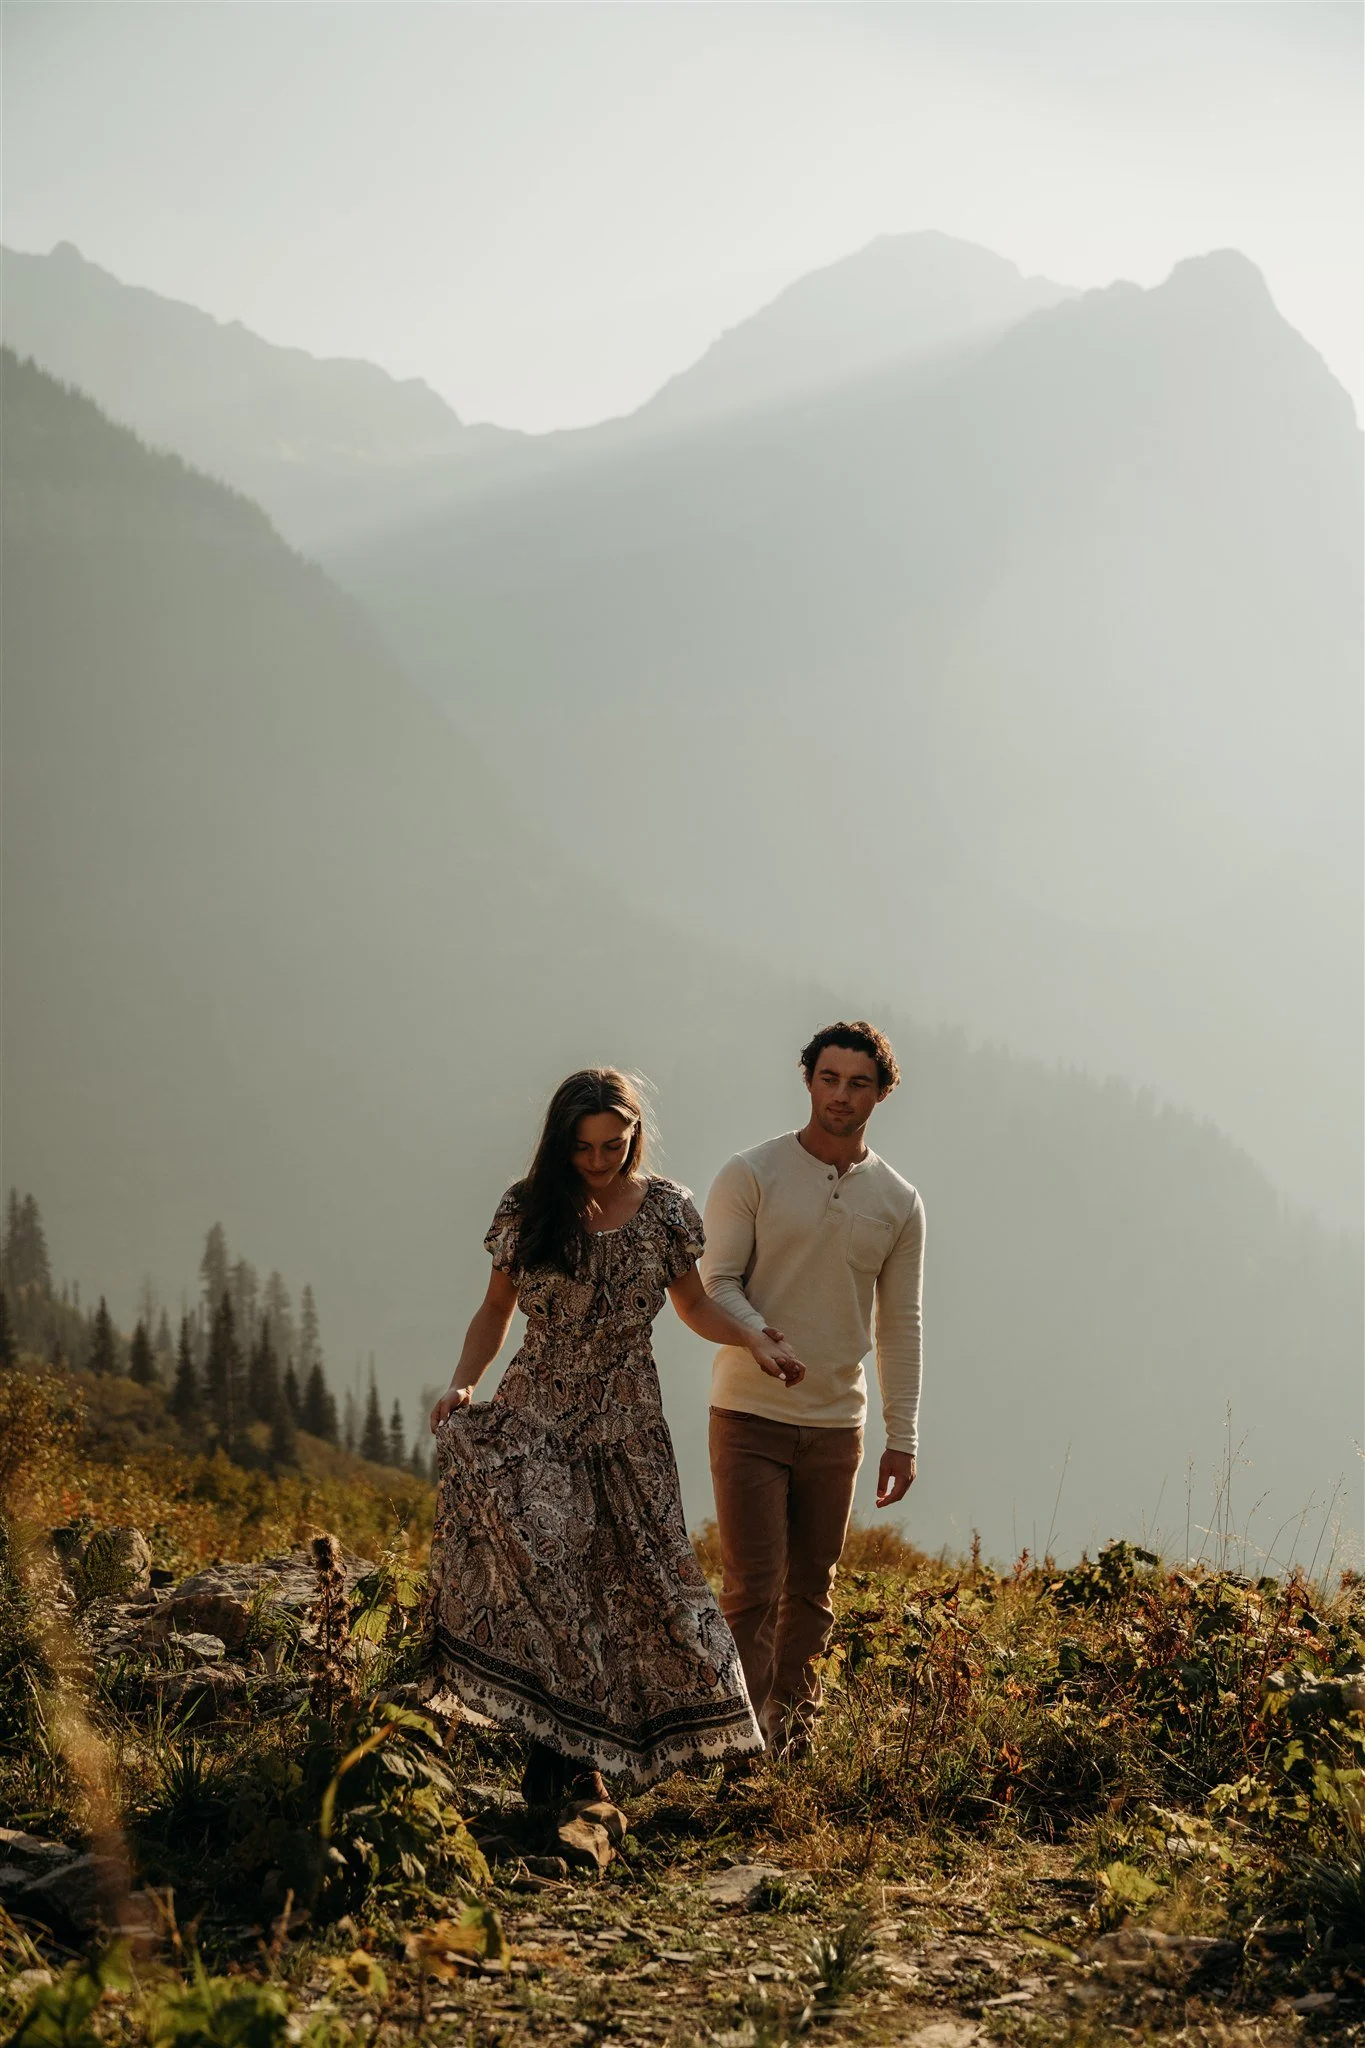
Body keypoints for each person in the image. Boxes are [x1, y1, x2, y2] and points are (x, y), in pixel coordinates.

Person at [422, 1067, 804, 1803]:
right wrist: (464, 1383)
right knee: (552, 1576)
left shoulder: (666, 1210)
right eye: (583, 1146)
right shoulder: (528, 1206)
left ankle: (594, 1756)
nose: (597, 1160)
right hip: (535, 1412)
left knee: (633, 1582)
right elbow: (496, 1309)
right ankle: (558, 1760)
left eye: (612, 1145)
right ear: (558, 1142)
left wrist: (753, 1338)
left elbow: (694, 1307)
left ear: (634, 1136)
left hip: (627, 1424)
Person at [700, 1021, 925, 1758]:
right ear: (808, 1080)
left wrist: (902, 1437)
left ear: (882, 1093)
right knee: (752, 1587)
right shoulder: (751, 1173)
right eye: (829, 1079)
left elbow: (900, 1324)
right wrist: (758, 1337)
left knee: (812, 1591)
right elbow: (716, 1282)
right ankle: (735, 1745)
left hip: (837, 1423)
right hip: (748, 1410)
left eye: (858, 1083)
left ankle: (793, 1743)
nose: (840, 1095)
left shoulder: (898, 1201)